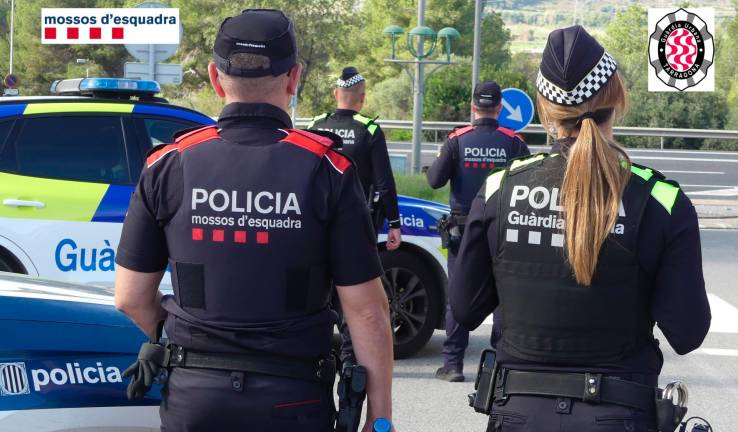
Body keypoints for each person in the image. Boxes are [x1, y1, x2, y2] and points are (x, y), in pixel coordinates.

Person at [114, 9, 394, 432]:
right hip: (293, 399)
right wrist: (380, 419)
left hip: (195, 397)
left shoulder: (168, 165)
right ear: (293, 78)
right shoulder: (328, 170)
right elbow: (367, 312)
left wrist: (181, 341)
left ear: (214, 77)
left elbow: (130, 298)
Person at [451, 25, 711, 431]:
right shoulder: (661, 201)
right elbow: (688, 332)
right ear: (617, 98)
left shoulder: (501, 190)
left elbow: (465, 309)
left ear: (544, 107)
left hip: (517, 413)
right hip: (618, 414)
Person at [426, 81, 529, 382]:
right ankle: (498, 366)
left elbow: (434, 180)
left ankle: (453, 364)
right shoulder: (513, 142)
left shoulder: (457, 140)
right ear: (499, 108)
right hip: (502, 228)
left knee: (458, 293)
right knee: (501, 295)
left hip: (462, 231)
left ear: (473, 107)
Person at [308, 66, 402, 249]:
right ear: (363, 97)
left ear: (335, 94)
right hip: (357, 220)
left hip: (319, 217)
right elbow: (384, 183)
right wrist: (394, 223)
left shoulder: (315, 125)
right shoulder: (369, 130)